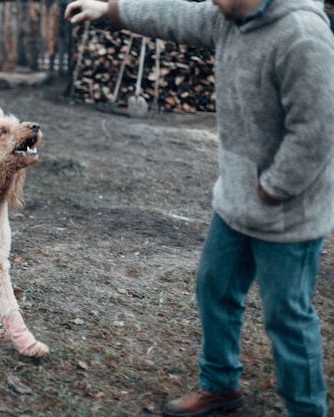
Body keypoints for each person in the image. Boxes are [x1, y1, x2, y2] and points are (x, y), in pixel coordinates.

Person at [64, 1, 334, 416]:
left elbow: (318, 131)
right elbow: (173, 16)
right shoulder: (227, 18)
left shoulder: (302, 36)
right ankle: (220, 386)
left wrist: (274, 188)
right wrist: (111, 10)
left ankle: (306, 409)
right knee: (215, 287)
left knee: (288, 320)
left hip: (288, 216)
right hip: (236, 204)